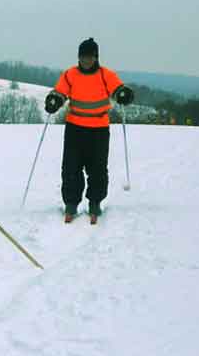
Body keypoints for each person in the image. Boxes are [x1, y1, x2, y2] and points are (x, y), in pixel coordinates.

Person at [44, 37, 134, 220]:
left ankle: (95, 203)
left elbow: (118, 89)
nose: (86, 60)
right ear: (79, 57)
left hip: (98, 129)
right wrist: (55, 100)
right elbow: (60, 91)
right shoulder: (70, 74)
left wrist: (124, 94)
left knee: (97, 168)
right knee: (71, 167)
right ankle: (71, 204)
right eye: (83, 57)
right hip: (74, 128)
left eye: (90, 57)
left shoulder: (105, 75)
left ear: (96, 57)